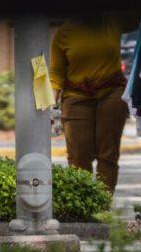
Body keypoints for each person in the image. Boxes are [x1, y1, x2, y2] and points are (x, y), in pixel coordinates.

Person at [49, 13, 131, 195]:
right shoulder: (64, 33)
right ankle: (84, 205)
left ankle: (102, 204)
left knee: (107, 154)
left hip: (112, 92)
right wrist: (49, 105)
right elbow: (56, 74)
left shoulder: (113, 20)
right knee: (79, 156)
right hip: (76, 96)